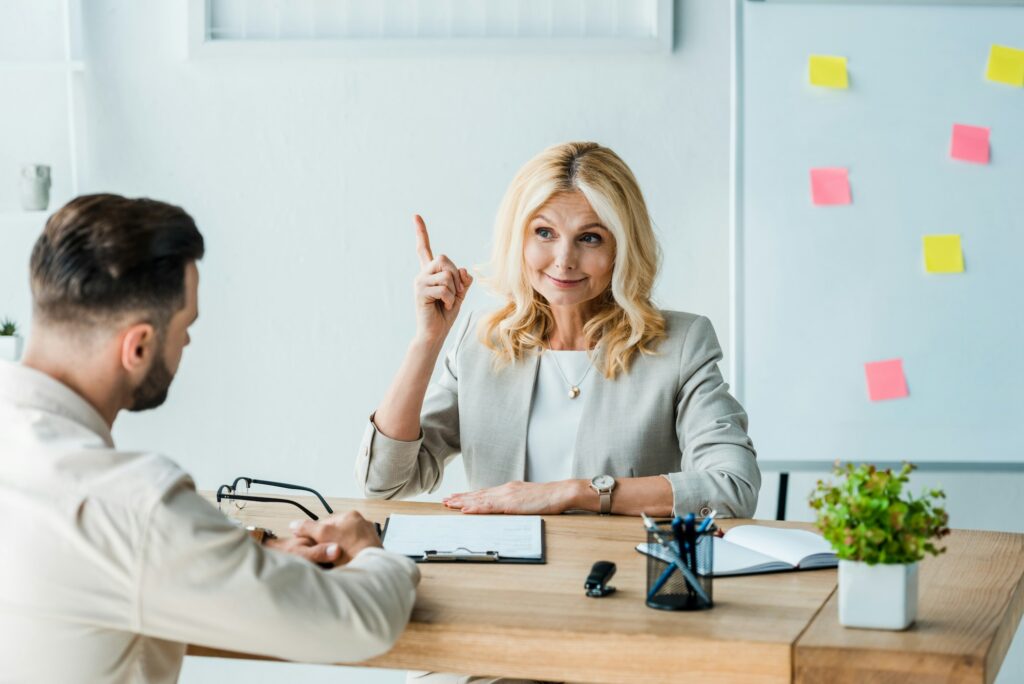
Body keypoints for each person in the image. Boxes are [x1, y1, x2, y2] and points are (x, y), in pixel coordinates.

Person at [0, 194, 420, 683]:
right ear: (137, 346)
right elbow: (358, 624)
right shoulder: (134, 507)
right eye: (186, 326)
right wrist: (373, 552)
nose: (188, 343)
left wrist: (230, 561)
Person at [357, 141, 760, 520]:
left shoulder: (681, 345)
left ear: (622, 247)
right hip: (502, 576)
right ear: (519, 239)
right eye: (544, 233)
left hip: (621, 578)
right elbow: (384, 482)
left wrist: (574, 492)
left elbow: (733, 487)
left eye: (589, 238)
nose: (563, 260)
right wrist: (427, 341)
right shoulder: (482, 341)